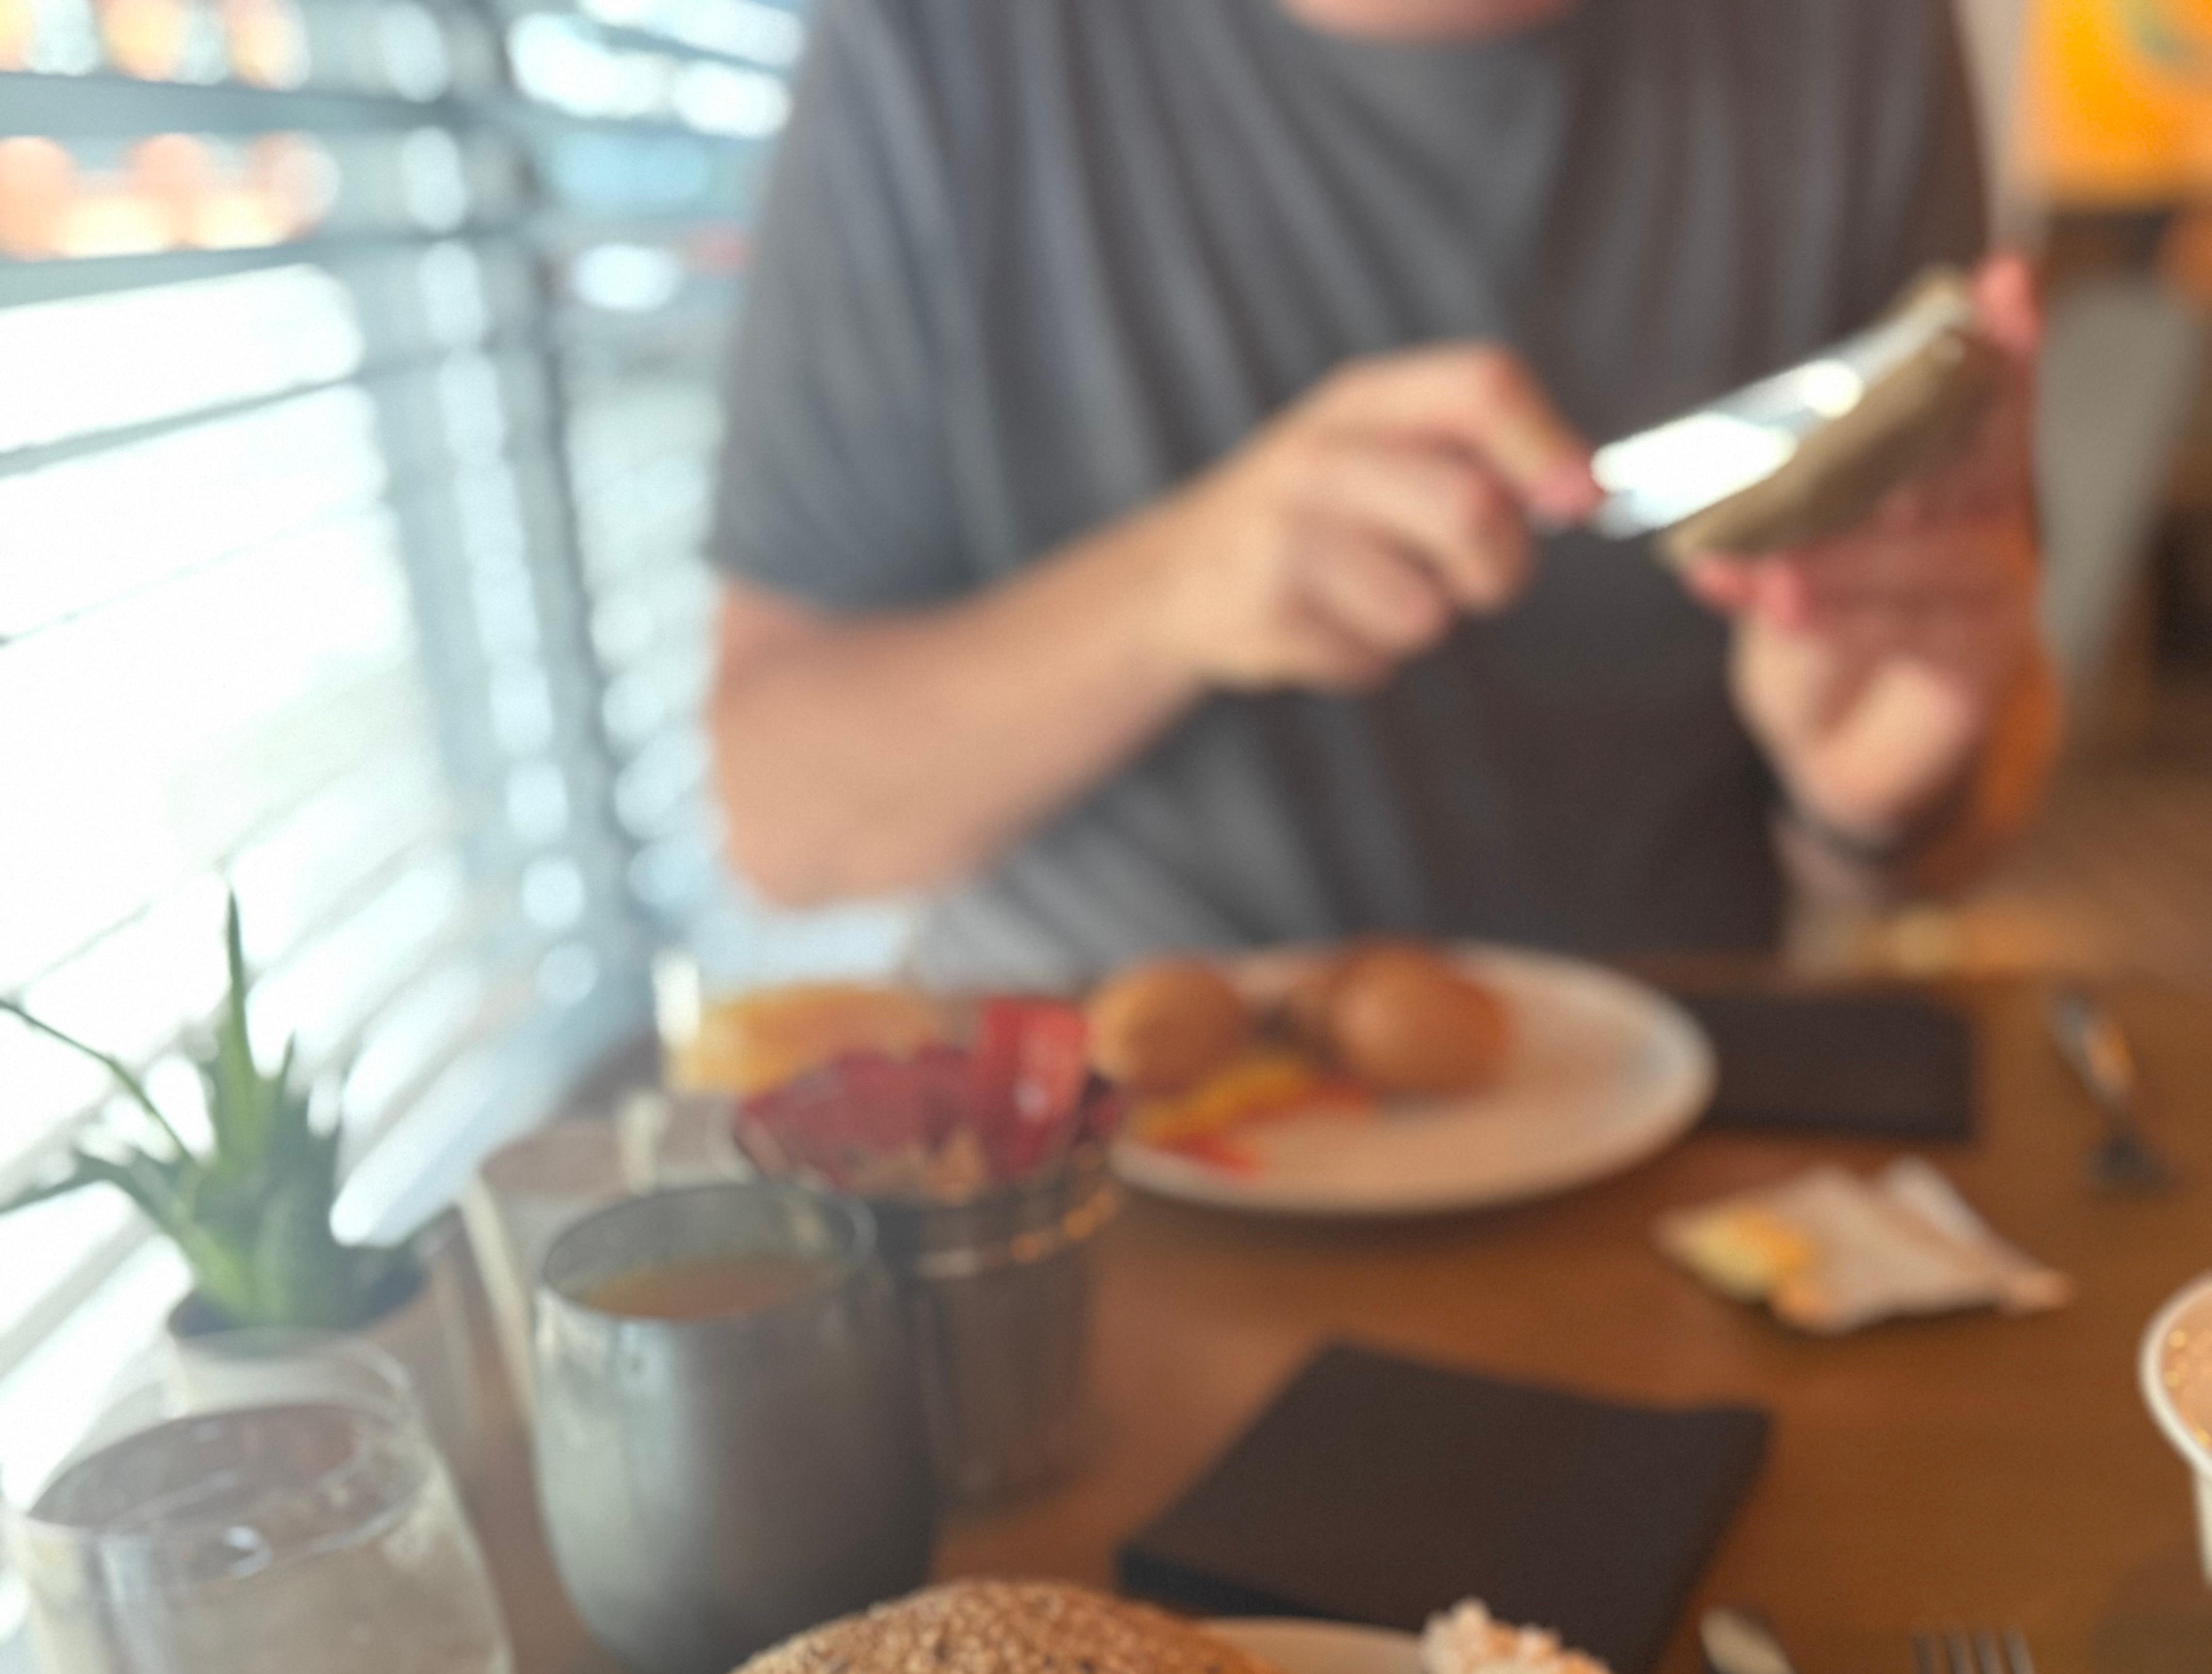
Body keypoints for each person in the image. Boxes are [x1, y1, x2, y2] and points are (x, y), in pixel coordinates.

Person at [706, 0, 2056, 982]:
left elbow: (1956, 811)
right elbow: (783, 819)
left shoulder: (1856, 37)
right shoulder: (939, 47)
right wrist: (1166, 597)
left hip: (1665, 1122)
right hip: (1111, 1141)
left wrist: (1878, 804)